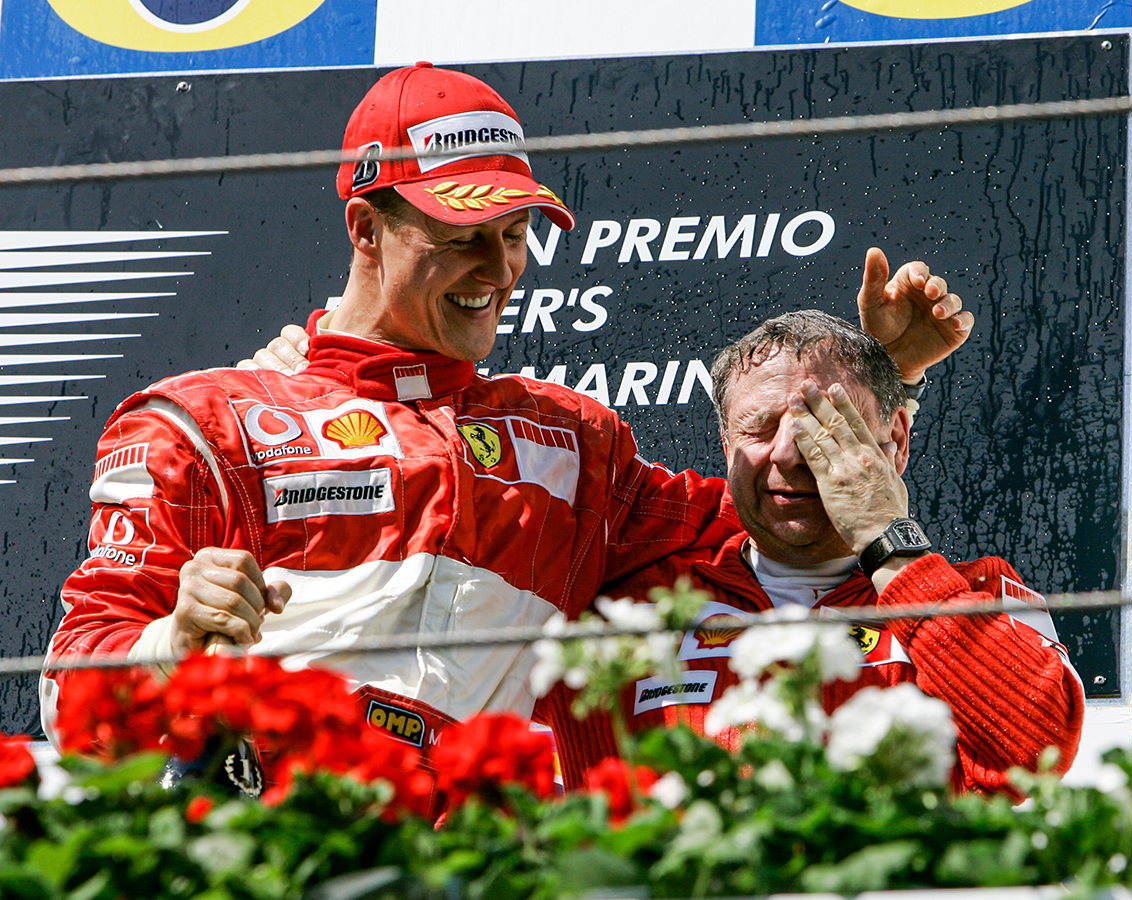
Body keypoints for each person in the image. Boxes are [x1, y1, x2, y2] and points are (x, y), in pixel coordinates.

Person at [41, 64, 971, 768]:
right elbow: (67, 697)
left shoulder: (576, 442)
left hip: (482, 861)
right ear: (365, 228)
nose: (498, 271)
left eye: (515, 235)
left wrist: (885, 380)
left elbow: (784, 506)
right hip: (282, 846)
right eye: (461, 238)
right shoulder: (207, 423)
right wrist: (175, 642)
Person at [537, 310, 1084, 797]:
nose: (788, 453)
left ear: (896, 439)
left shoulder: (981, 593)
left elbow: (1035, 752)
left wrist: (888, 542)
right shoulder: (624, 606)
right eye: (759, 429)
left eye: (824, 424)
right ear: (726, 447)